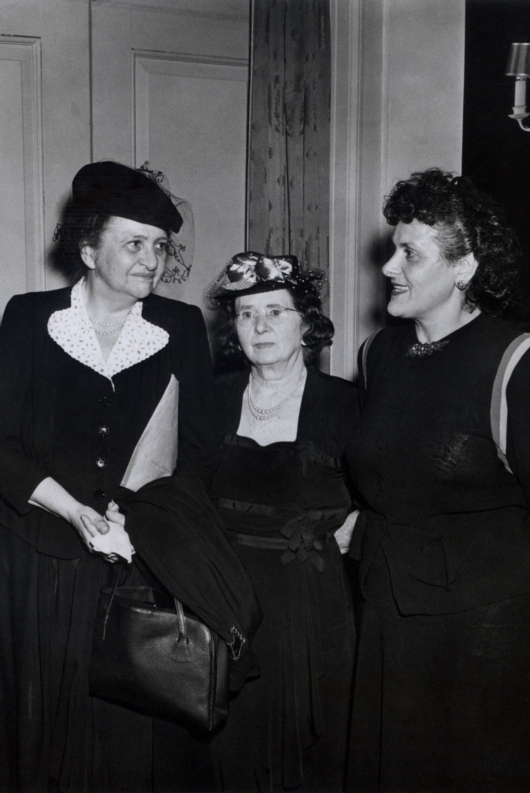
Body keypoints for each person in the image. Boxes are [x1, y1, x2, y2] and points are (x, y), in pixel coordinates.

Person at [345, 168, 530, 792]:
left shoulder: (520, 364)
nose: (388, 267)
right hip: (390, 619)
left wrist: (525, 626)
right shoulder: (379, 354)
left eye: (410, 253)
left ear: (465, 268)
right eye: (392, 248)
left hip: (487, 638)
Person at [0, 160, 218, 792]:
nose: (151, 259)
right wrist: (75, 511)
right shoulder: (30, 318)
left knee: (132, 740)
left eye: (159, 246)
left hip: (139, 563)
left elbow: (198, 453)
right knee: (45, 732)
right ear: (87, 248)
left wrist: (143, 524)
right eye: (133, 243)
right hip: (42, 561)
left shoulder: (181, 328)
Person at [203, 252, 358, 792]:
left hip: (310, 606)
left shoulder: (346, 404)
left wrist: (351, 523)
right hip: (226, 600)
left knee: (310, 752)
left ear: (306, 324)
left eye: (274, 311)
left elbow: (388, 492)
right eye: (246, 315)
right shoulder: (212, 399)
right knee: (230, 751)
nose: (259, 326)